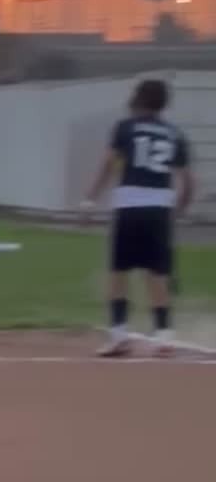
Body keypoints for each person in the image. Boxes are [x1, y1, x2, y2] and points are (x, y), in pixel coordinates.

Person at [85, 77, 194, 358]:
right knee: (157, 274)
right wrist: (178, 208)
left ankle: (119, 335)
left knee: (118, 272)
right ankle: (164, 335)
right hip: (160, 207)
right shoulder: (175, 134)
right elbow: (188, 181)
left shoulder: (126, 127)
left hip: (130, 205)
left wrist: (91, 197)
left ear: (139, 99)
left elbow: (108, 164)